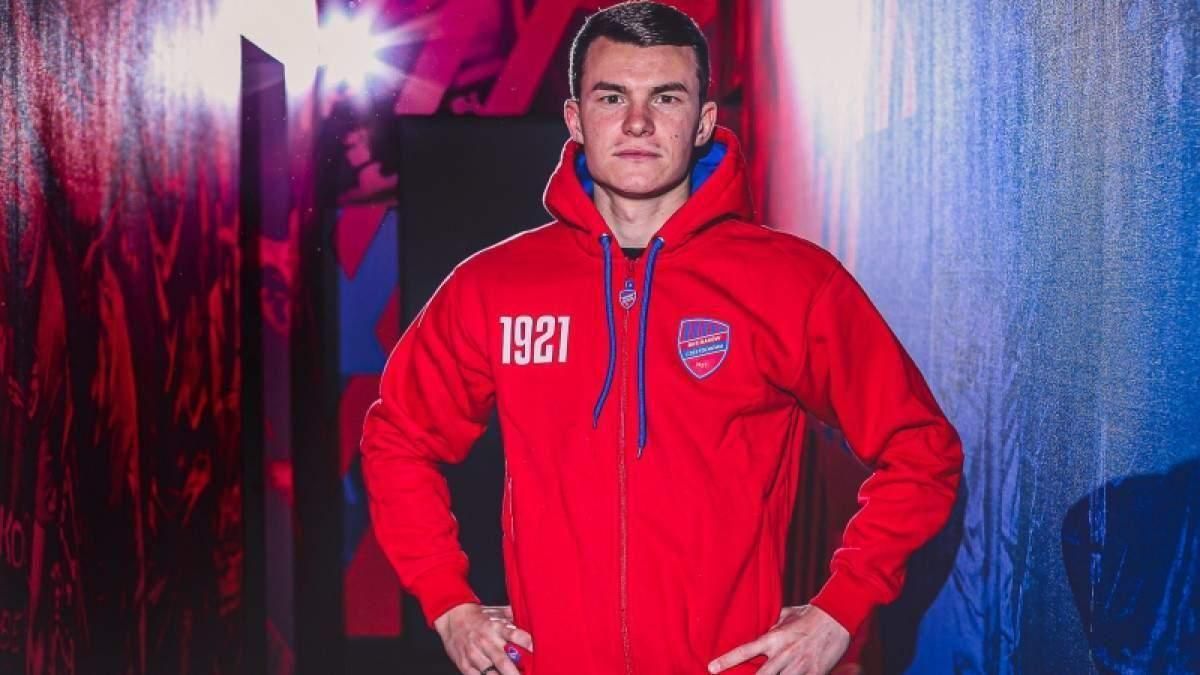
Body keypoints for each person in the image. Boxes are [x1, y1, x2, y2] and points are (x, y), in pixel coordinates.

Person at [360, 3, 964, 674]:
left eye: (666, 97)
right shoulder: (494, 287)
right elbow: (398, 437)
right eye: (612, 96)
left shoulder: (791, 283)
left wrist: (841, 610)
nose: (638, 122)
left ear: (703, 121)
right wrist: (449, 602)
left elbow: (921, 449)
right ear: (575, 119)